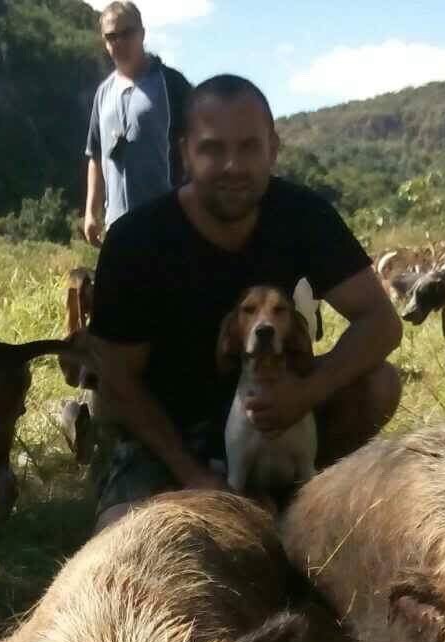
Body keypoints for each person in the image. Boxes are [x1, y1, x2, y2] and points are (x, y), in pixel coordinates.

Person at [88, 74, 403, 530]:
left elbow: (381, 323)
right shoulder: (136, 241)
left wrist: (305, 394)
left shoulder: (304, 215)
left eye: (249, 147)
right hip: (169, 431)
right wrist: (191, 473)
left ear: (273, 150)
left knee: (379, 384)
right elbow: (116, 381)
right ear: (184, 153)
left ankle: (306, 493)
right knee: (118, 535)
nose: (233, 166)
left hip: (278, 406)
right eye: (213, 148)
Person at [84, 2, 191, 245]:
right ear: (104, 41)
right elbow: (96, 155)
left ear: (142, 34)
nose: (119, 42)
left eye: (127, 33)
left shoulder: (171, 84)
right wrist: (91, 212)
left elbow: (200, 146)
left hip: (167, 226)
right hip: (117, 227)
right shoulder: (103, 93)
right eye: (111, 36)